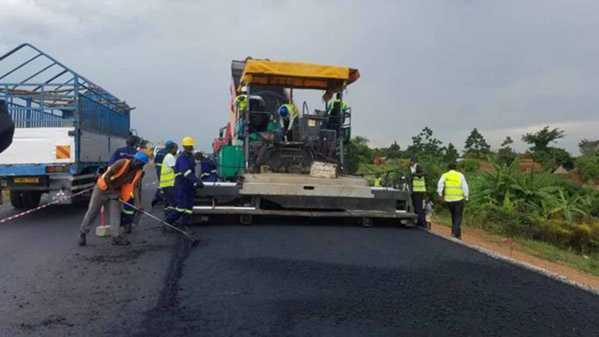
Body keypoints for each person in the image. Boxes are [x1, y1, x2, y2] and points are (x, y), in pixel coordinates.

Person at [77, 152, 148, 246]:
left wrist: (138, 204)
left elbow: (135, 188)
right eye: (139, 163)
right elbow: (107, 177)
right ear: (135, 160)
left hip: (116, 190)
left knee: (116, 213)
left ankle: (116, 236)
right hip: (102, 188)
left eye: (142, 165)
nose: (140, 166)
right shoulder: (121, 163)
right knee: (92, 211)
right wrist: (113, 193)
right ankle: (82, 232)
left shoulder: (137, 172)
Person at [165, 137, 203, 231]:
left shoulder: (190, 157)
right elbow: (186, 172)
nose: (190, 148)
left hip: (188, 184)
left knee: (189, 206)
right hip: (181, 183)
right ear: (184, 147)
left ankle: (187, 224)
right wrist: (196, 181)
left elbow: (196, 165)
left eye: (190, 146)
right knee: (181, 206)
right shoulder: (182, 158)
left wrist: (200, 158)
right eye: (188, 146)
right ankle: (168, 221)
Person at [437, 162, 469, 240]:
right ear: (456, 168)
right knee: (458, 216)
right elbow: (465, 186)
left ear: (448, 168)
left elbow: (440, 184)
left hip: (449, 200)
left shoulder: (445, 175)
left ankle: (456, 233)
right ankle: (455, 233)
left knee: (453, 215)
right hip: (458, 199)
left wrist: (440, 194)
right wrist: (466, 196)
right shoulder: (460, 175)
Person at [159, 142, 179, 224]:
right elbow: (176, 169)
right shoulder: (170, 157)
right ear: (173, 148)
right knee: (174, 203)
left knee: (168, 203)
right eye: (176, 148)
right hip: (170, 184)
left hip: (165, 184)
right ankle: (169, 221)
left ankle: (167, 218)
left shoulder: (167, 156)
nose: (176, 150)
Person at [151, 140, 174, 207]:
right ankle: (158, 197)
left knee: (161, 183)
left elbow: (155, 161)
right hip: (165, 169)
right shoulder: (168, 153)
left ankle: (160, 196)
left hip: (158, 168)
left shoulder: (159, 152)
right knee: (164, 183)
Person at [409, 157, 427, 228]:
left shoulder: (417, 166)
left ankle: (423, 224)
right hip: (415, 190)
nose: (410, 163)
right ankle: (419, 222)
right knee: (416, 207)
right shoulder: (412, 167)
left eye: (410, 161)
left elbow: (425, 172)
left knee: (418, 207)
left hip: (418, 190)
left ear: (413, 161)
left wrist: (416, 175)